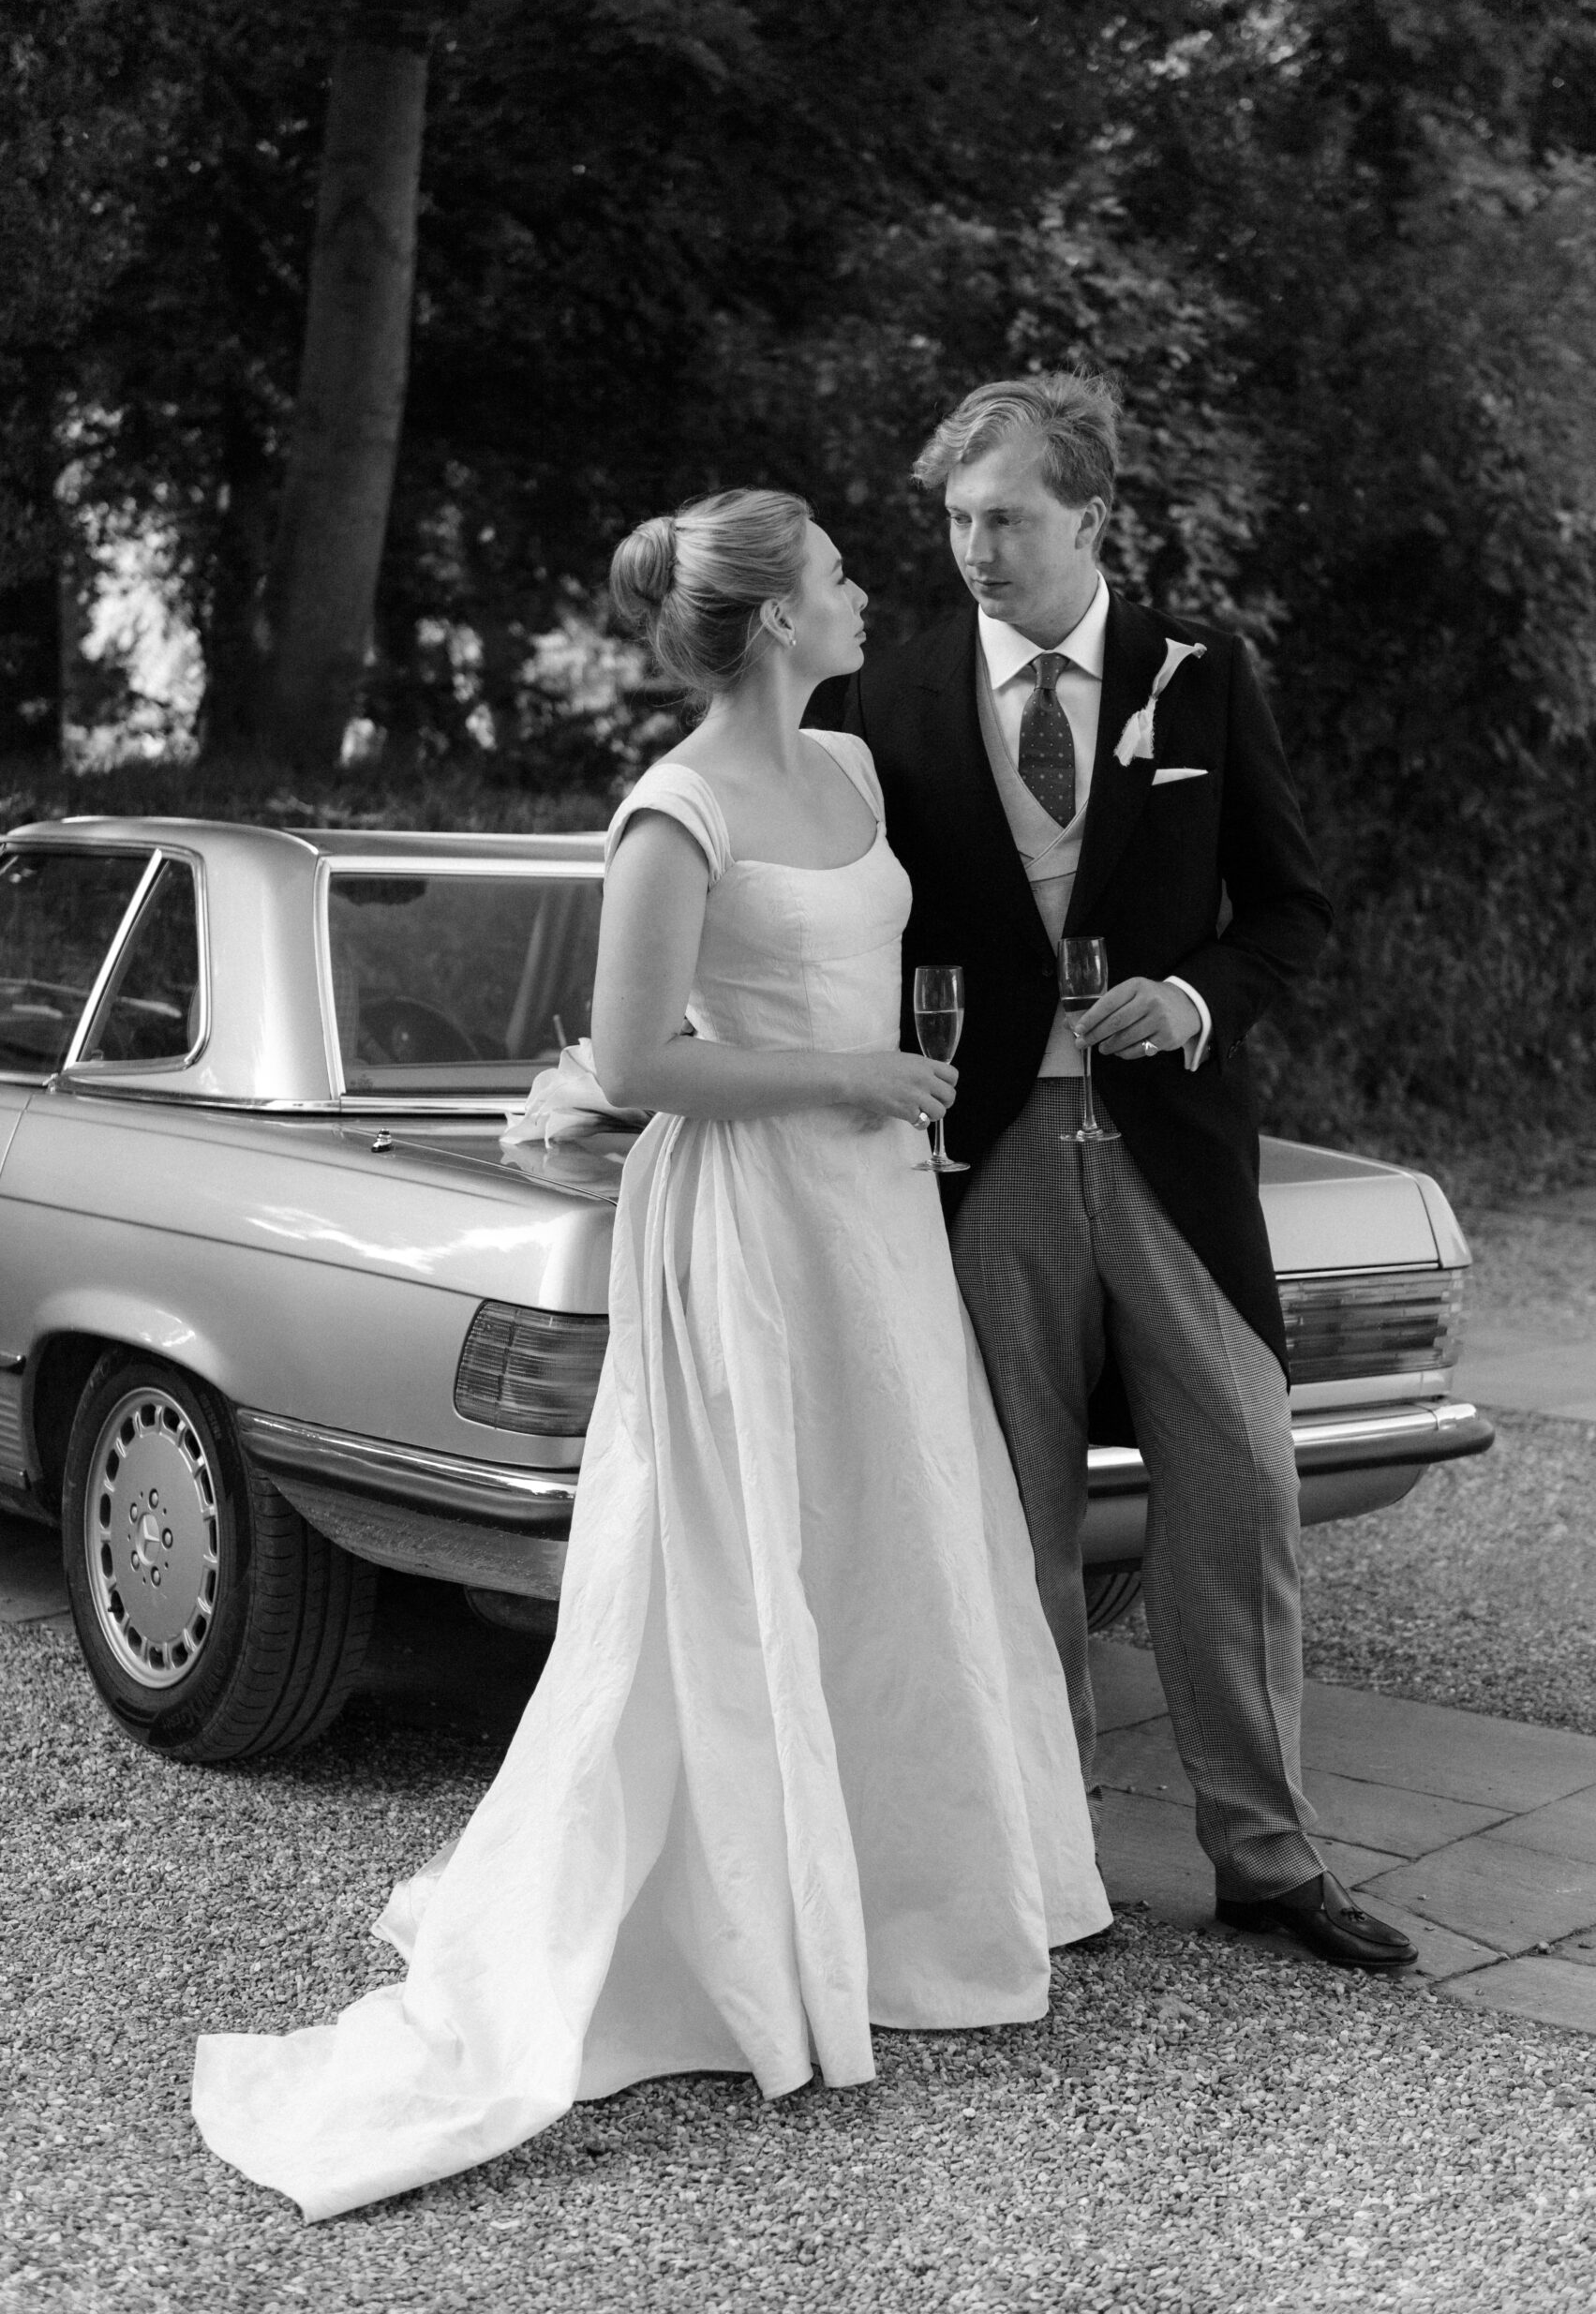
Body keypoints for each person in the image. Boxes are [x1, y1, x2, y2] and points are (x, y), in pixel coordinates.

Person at [190, 488, 1110, 2223]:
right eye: (838, 578)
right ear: (773, 618)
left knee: (886, 1524)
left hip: (873, 1217)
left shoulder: (848, 773)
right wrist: (851, 1078)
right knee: (735, 1550)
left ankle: (904, 1901)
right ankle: (735, 1928)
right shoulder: (672, 810)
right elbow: (633, 1057)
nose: (863, 598)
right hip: (754, 1217)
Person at [808, 369, 1416, 1973]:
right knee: (1012, 1519)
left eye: (1006, 516)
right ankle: (1039, 1860)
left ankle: (1269, 1859)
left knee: (1242, 1481)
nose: (975, 549)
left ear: (1093, 515)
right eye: (955, 520)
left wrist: (1200, 993)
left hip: (1171, 1150)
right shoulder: (880, 701)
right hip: (982, 1154)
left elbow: (1291, 908)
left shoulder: (1203, 679)